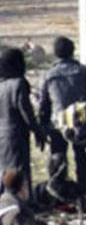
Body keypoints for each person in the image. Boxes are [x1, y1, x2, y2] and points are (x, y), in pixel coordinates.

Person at [39, 36, 86, 208]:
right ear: (72, 51)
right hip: (81, 123)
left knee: (58, 162)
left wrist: (42, 128)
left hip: (58, 125)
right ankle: (85, 198)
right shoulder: (82, 71)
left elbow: (43, 105)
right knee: (83, 162)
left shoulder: (48, 75)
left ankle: (59, 198)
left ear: (55, 54)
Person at [0, 49, 43, 191]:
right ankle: (22, 204)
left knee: (4, 170)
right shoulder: (18, 83)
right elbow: (26, 111)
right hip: (16, 135)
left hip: (2, 134)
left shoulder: (2, 85)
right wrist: (37, 131)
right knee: (19, 171)